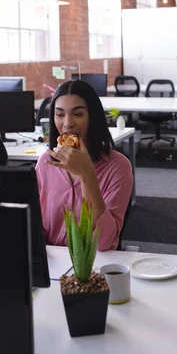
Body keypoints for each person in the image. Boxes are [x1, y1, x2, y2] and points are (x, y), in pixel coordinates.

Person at [36, 79, 133, 251]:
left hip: (94, 264)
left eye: (78, 114)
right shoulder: (46, 162)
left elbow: (104, 242)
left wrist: (87, 175)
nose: (67, 123)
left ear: (92, 117)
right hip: (52, 263)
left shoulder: (118, 167)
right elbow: (36, 226)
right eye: (59, 114)